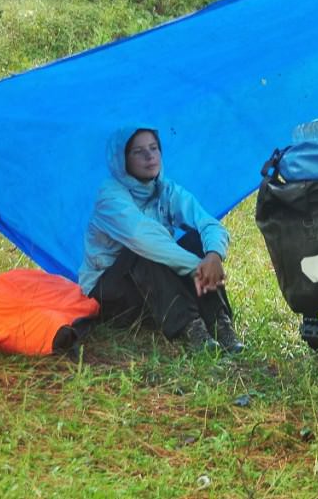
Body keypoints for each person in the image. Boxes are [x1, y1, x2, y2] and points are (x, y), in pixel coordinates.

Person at [78, 126, 244, 353]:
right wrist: (199, 267)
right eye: (138, 151)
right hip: (110, 295)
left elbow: (208, 223)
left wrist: (214, 256)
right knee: (143, 251)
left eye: (154, 148)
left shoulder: (166, 189)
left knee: (197, 241)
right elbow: (143, 237)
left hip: (152, 290)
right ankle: (191, 328)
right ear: (121, 160)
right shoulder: (109, 195)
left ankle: (219, 323)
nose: (150, 156)